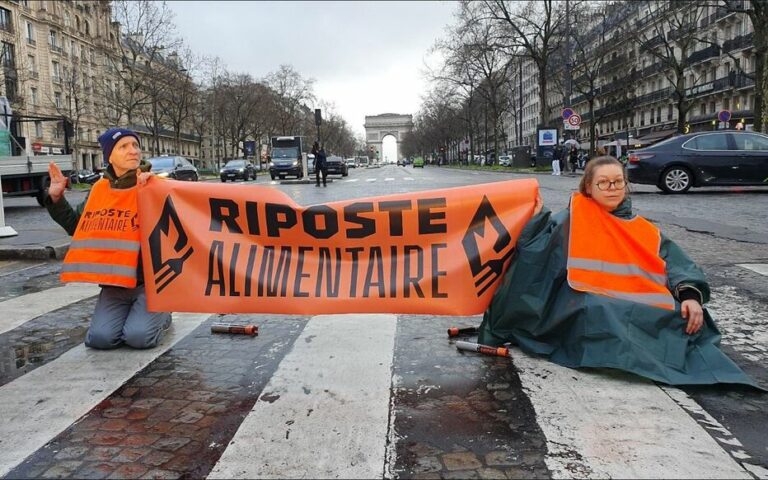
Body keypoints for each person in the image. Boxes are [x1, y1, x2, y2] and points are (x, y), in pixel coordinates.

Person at [478, 156, 759, 388]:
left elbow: (676, 262)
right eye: (603, 183)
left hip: (641, 297)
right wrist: (535, 218)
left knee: (683, 320)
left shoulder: (644, 229)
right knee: (604, 315)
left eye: (618, 182)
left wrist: (690, 295)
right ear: (588, 187)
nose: (612, 188)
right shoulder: (569, 221)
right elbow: (535, 255)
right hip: (582, 300)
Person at [45, 127, 172, 350]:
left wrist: (156, 193)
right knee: (100, 339)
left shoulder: (153, 185)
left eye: (135, 146)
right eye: (124, 146)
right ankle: (139, 316)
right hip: (114, 286)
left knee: (138, 338)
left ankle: (163, 315)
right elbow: (78, 226)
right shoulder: (99, 189)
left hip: (150, 285)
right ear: (109, 156)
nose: (133, 151)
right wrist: (56, 197)